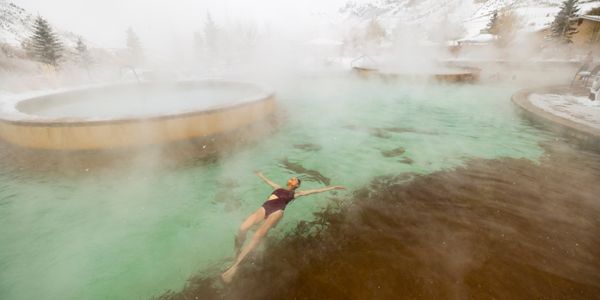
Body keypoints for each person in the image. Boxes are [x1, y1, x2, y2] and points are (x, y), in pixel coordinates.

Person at [221, 171, 345, 283]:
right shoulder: (278, 188)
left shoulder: (295, 193)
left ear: (296, 185)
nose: (292, 179)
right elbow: (267, 181)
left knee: (257, 236)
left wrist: (332, 187)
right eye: (292, 178)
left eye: (295, 179)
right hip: (265, 208)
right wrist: (260, 175)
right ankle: (237, 253)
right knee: (243, 228)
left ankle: (235, 267)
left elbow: (315, 191)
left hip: (277, 212)